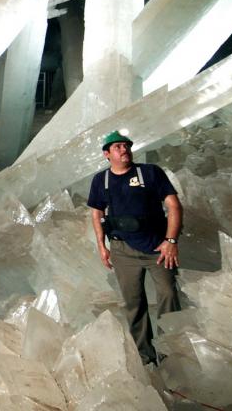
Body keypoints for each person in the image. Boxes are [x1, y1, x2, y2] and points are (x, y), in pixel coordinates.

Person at [87, 130, 183, 365]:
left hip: (157, 248)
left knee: (169, 294)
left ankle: (171, 355)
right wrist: (102, 246)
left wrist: (171, 242)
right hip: (122, 250)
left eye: (126, 145)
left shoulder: (150, 173)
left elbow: (174, 206)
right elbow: (96, 213)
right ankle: (146, 357)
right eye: (118, 147)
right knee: (134, 303)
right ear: (106, 154)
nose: (124, 150)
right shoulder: (101, 180)